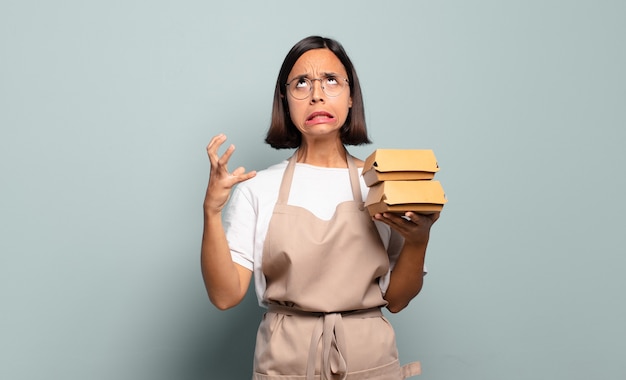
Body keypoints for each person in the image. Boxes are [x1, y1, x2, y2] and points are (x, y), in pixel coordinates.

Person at [201, 36, 440, 380]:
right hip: (285, 362)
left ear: (351, 95)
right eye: (301, 83)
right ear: (284, 100)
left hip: (370, 361)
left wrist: (419, 241)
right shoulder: (257, 188)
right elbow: (225, 296)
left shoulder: (381, 183)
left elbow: (398, 300)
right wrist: (210, 212)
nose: (316, 94)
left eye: (331, 80)